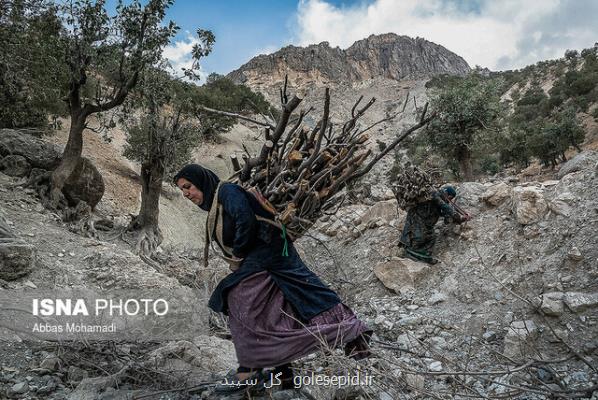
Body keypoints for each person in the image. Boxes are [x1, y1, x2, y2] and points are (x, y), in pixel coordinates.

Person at [174, 164, 371, 393]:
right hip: (263, 254)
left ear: (202, 181)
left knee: (236, 297)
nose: (186, 194)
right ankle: (282, 374)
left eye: (188, 187)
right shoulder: (217, 201)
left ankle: (250, 370)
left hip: (270, 251)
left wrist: (237, 254)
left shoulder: (227, 191)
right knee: (271, 311)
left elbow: (245, 220)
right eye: (182, 191)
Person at [400, 186, 469, 264]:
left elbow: (446, 214)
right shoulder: (435, 194)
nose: (449, 199)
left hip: (425, 223)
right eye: (450, 197)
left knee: (431, 237)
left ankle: (421, 255)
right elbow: (445, 207)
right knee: (418, 238)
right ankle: (410, 253)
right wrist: (458, 217)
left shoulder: (441, 199)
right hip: (417, 219)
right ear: (446, 193)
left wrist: (460, 218)